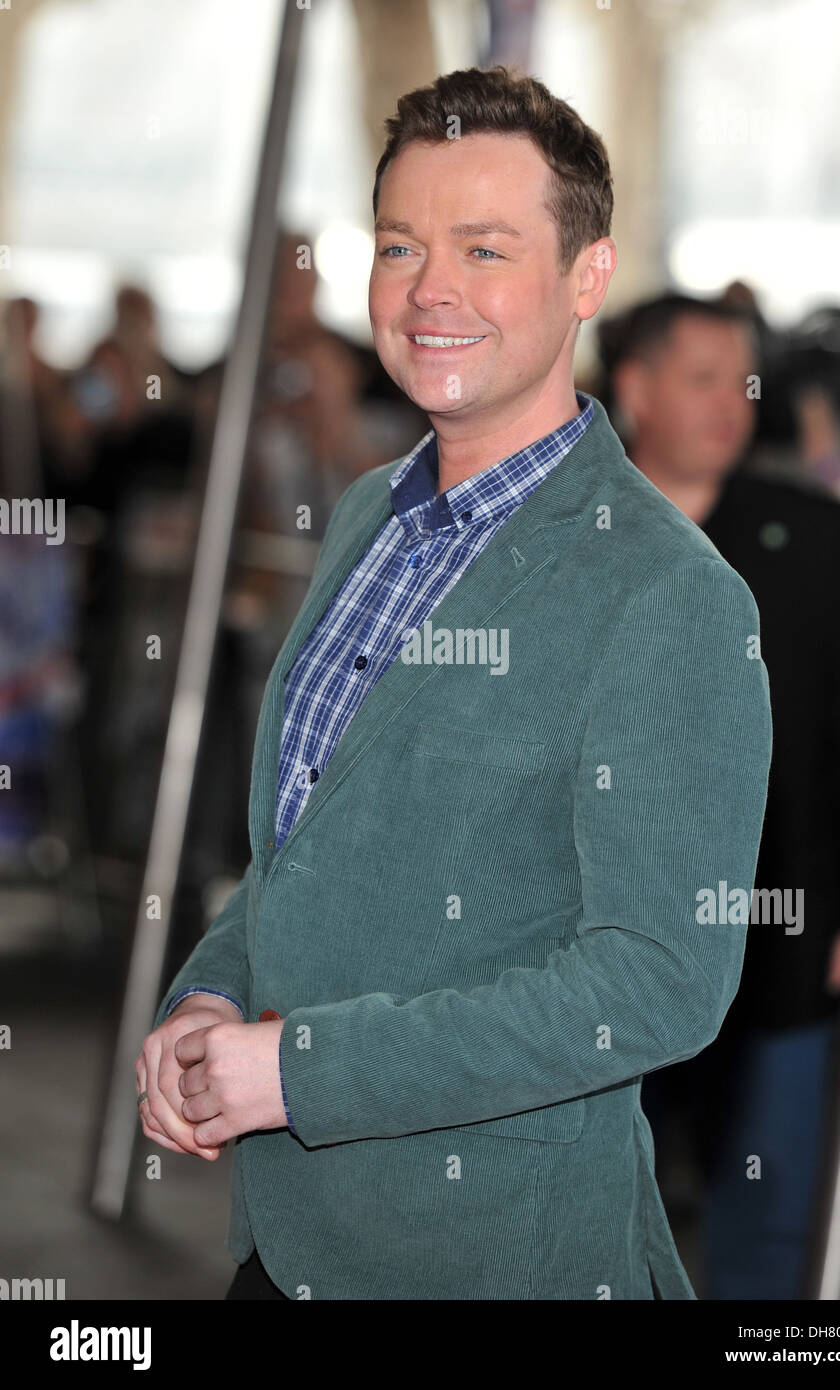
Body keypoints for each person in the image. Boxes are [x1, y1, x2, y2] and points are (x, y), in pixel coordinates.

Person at [136, 66, 772, 1301]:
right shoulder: (372, 510)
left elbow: (657, 981)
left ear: (587, 278)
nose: (431, 289)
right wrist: (213, 989)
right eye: (399, 245)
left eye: (485, 248)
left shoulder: (670, 598)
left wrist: (297, 1069)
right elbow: (308, 845)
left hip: (490, 1259)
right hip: (288, 1239)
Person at [608, 293, 840, 1299]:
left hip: (784, 938)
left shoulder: (808, 536)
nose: (730, 404)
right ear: (632, 388)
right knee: (586, 1204)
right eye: (700, 379)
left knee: (772, 1219)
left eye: (742, 380)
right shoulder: (570, 534)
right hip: (595, 945)